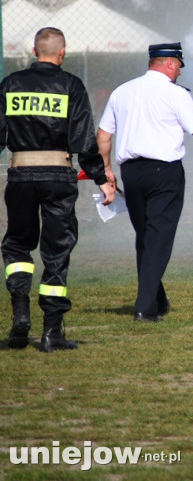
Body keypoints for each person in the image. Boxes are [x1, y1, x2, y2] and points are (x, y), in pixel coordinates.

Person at [1, 27, 116, 352]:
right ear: (61, 52)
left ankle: (20, 312)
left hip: (21, 175)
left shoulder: (10, 84)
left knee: (18, 245)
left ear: (35, 51)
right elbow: (84, 141)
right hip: (58, 177)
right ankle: (52, 332)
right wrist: (101, 177)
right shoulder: (71, 86)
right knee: (57, 248)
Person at [96, 43, 193, 322]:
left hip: (131, 172)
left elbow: (104, 135)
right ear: (169, 64)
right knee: (158, 239)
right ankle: (144, 308)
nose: (179, 72)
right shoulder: (175, 94)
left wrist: (106, 170)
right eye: (178, 66)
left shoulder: (122, 91)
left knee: (146, 236)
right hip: (164, 172)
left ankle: (157, 299)